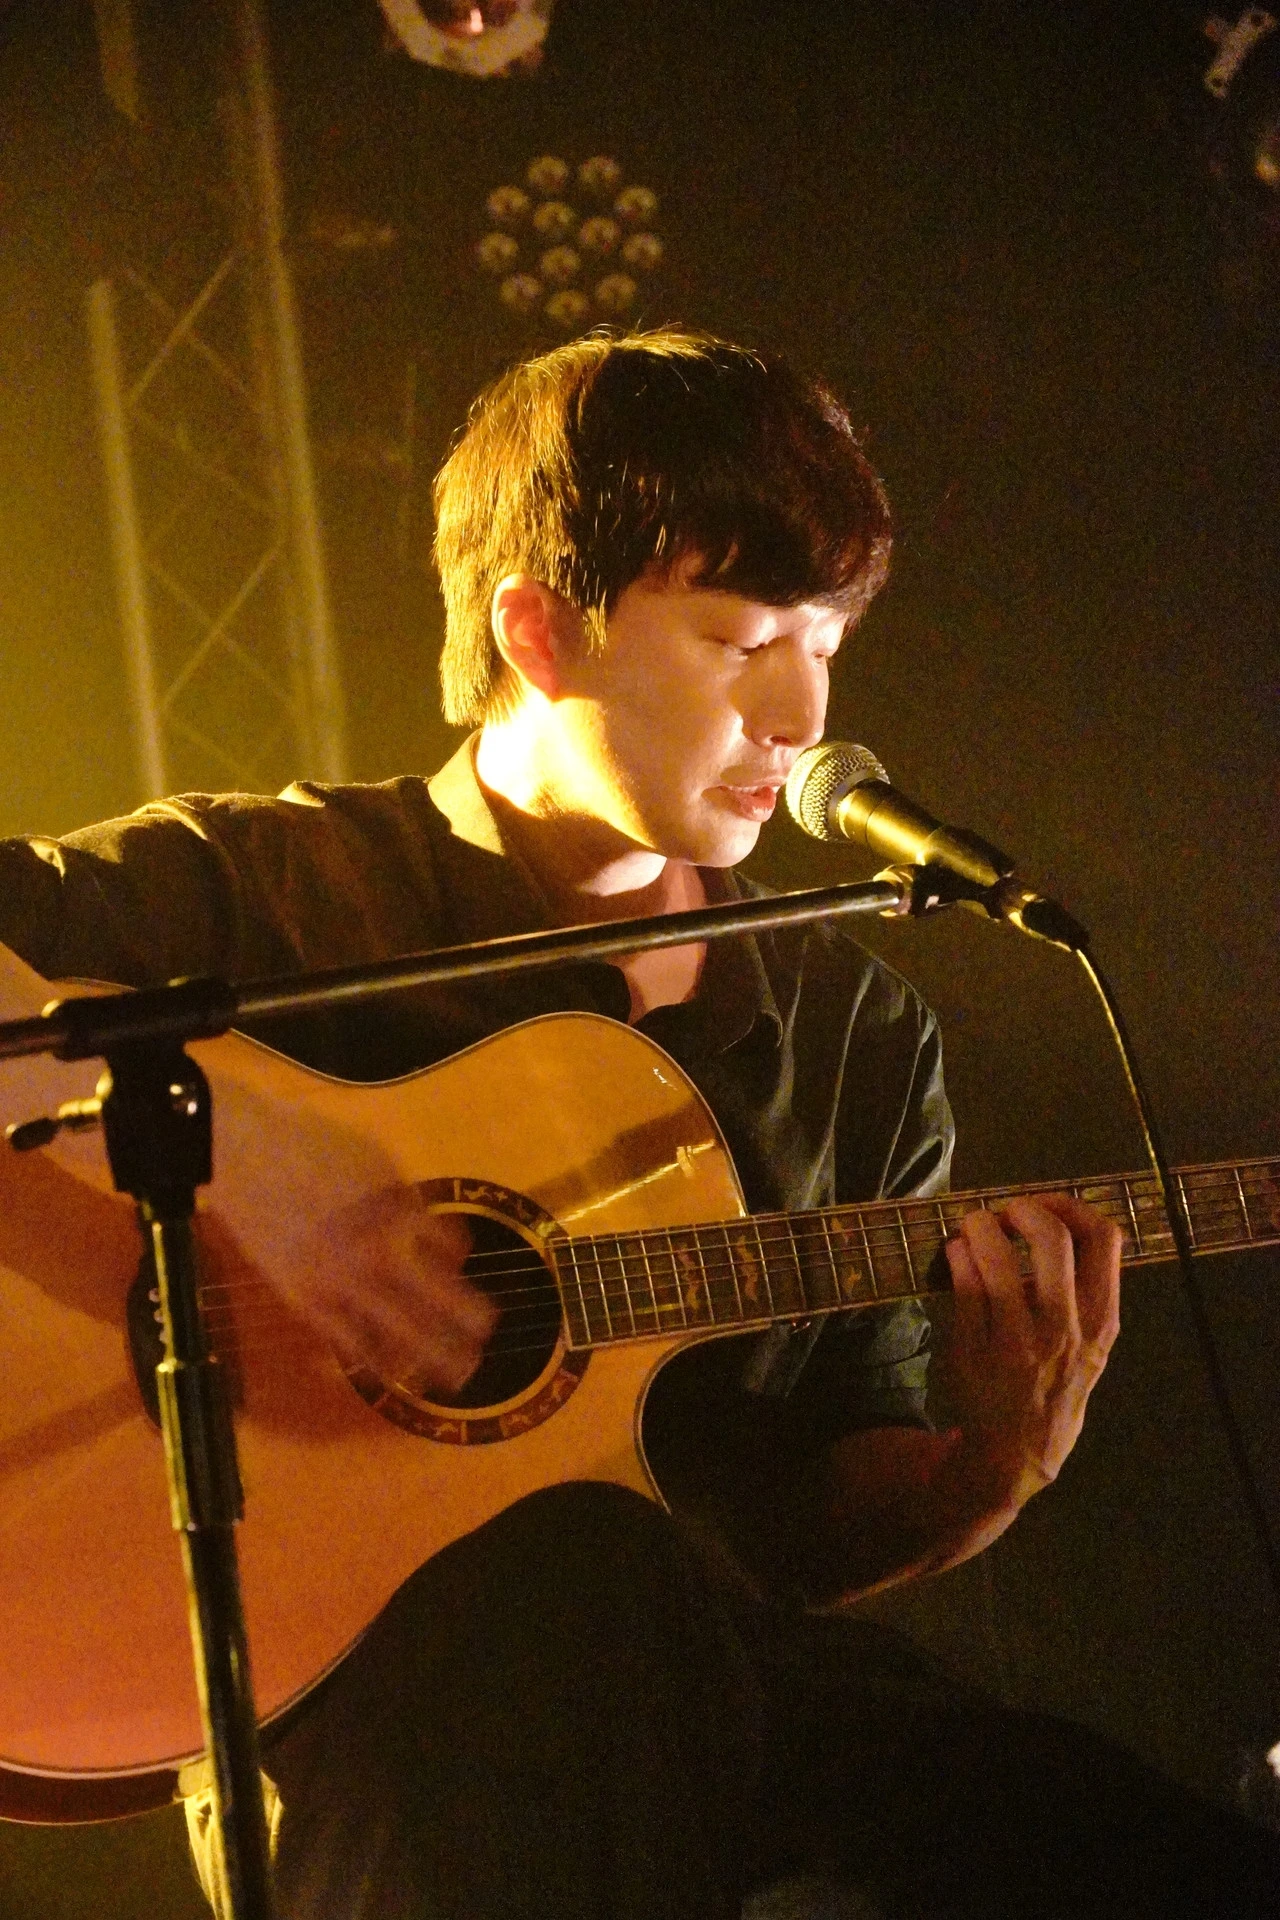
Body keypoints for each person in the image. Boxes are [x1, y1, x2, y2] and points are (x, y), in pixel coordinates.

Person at [0, 329, 1273, 1918]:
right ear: (539, 631)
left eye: (828, 641)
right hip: (378, 1723)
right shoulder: (267, 891)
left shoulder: (859, 1033)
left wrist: (989, 1466)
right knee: (571, 1574)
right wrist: (236, 1150)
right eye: (742, 641)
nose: (803, 711)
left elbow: (805, 1539)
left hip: (724, 1701)